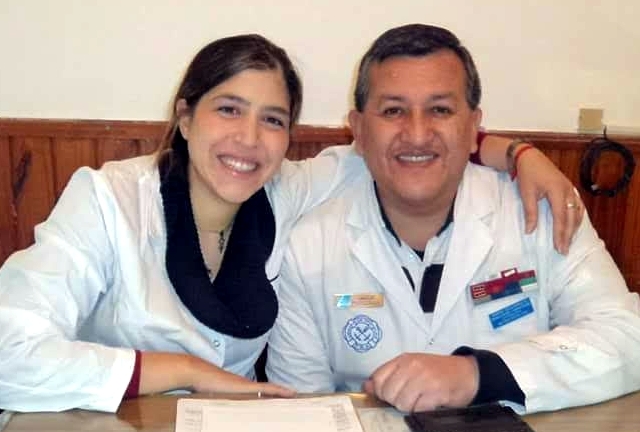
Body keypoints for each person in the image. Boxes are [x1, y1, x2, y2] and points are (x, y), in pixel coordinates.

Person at [0, 33, 581, 413]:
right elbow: (9, 353)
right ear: (185, 117)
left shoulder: (290, 189)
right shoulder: (108, 202)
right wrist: (186, 371)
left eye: (273, 120)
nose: (249, 140)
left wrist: (518, 153)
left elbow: (405, 147)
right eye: (229, 109)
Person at [265, 24, 640, 414]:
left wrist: (477, 375)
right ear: (358, 130)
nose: (417, 134)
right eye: (393, 111)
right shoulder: (308, 245)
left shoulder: (541, 208)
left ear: (474, 126)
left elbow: (629, 337)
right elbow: (299, 410)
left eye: (440, 110)